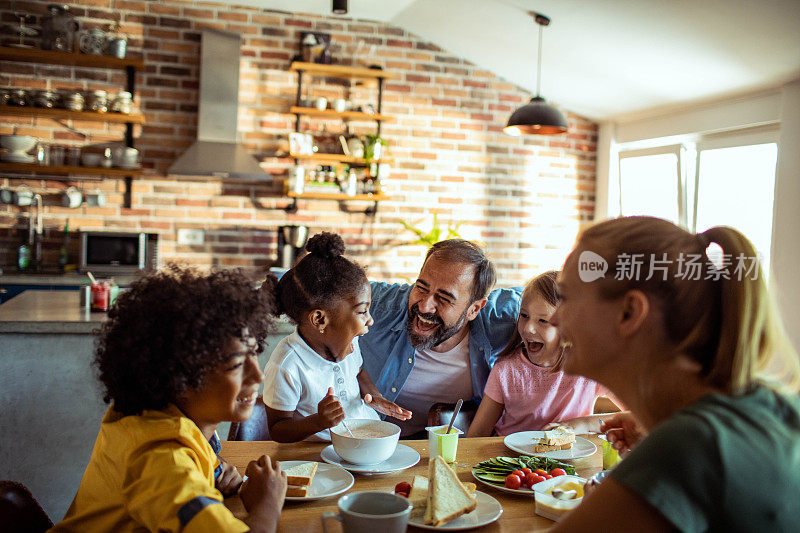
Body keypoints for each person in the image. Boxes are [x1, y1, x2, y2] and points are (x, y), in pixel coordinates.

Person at [548, 216, 800, 532]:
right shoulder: (773, 404)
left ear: (629, 313)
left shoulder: (686, 448)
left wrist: (659, 454)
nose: (555, 318)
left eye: (566, 296)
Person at [50, 266, 287, 533]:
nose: (258, 375)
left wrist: (215, 471)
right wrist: (266, 507)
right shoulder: (164, 462)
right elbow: (172, 470)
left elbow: (195, 454)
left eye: (254, 354)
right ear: (180, 379)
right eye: (235, 365)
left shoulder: (150, 417)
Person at [359, 239, 521, 437]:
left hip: (448, 450)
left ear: (474, 309)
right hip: (369, 443)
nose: (425, 306)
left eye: (444, 298)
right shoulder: (375, 305)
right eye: (421, 287)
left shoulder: (503, 320)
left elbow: (556, 297)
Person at [262, 232, 411, 442]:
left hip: (363, 438)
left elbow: (358, 372)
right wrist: (318, 421)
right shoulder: (287, 364)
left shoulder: (350, 342)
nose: (370, 321)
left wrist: (375, 396)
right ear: (320, 320)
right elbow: (277, 429)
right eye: (362, 312)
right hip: (320, 454)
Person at [466, 271, 619, 437]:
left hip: (571, 462)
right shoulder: (505, 370)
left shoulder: (591, 367)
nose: (527, 328)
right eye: (524, 315)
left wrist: (582, 424)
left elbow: (639, 418)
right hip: (511, 461)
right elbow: (477, 433)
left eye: (543, 320)